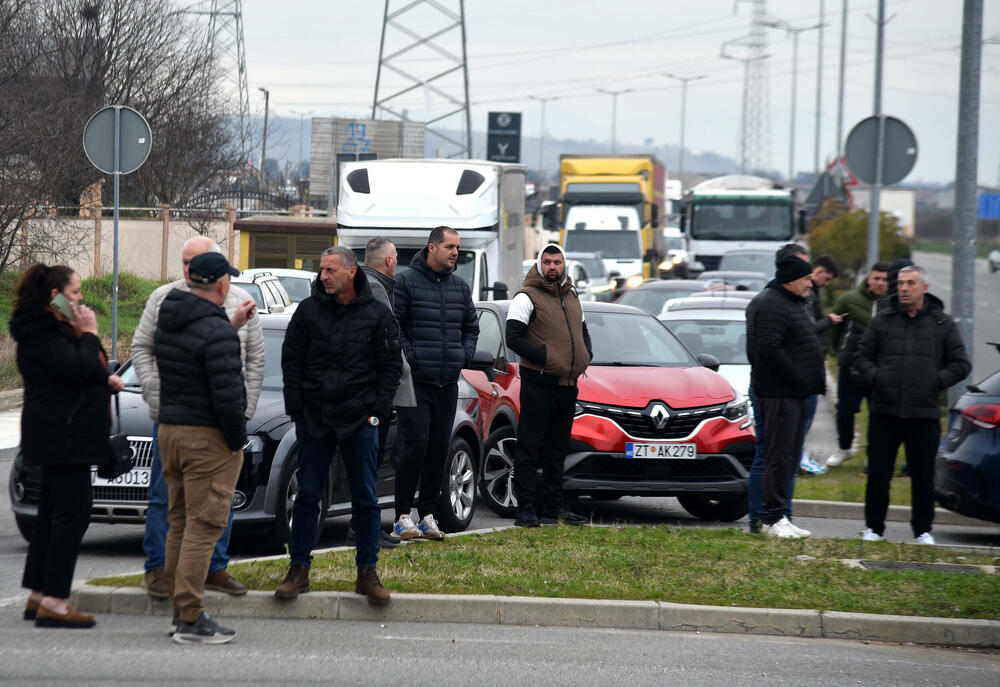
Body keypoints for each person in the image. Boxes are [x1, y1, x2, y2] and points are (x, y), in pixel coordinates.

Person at [131, 236, 263, 599]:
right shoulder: (165, 299)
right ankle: (168, 580)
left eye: (197, 261)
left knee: (214, 504)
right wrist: (156, 396)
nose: (189, 269)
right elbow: (145, 348)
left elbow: (251, 360)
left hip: (209, 420)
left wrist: (245, 410)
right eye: (185, 261)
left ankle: (212, 569)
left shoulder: (235, 303)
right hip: (187, 421)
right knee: (176, 505)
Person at [276, 247, 402, 604]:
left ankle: (367, 572)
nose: (323, 276)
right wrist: (297, 410)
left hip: (360, 419)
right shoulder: (308, 311)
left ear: (351, 272)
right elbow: (291, 361)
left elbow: (391, 366)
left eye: (330, 270)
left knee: (366, 498)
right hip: (314, 419)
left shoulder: (377, 314)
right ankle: (298, 569)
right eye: (322, 269)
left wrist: (377, 411)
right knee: (308, 495)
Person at [12, 264, 124, 629]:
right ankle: (56, 602)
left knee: (51, 513)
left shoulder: (57, 328)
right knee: (73, 514)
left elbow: (83, 369)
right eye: (75, 292)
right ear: (55, 296)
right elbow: (75, 368)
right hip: (63, 437)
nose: (80, 299)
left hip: (63, 434)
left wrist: (105, 378)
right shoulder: (43, 332)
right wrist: (89, 333)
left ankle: (39, 594)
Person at [155, 252, 247, 644]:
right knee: (204, 526)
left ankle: (181, 611)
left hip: (171, 431)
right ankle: (191, 617)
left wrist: (229, 326)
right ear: (221, 285)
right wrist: (237, 441)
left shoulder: (171, 318)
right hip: (206, 438)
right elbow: (227, 396)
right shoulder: (216, 331)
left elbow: (196, 353)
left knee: (179, 523)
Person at [852, 266, 970, 545]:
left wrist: (935, 381)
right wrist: (877, 378)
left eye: (911, 283)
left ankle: (922, 530)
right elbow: (862, 357)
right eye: (901, 283)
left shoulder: (941, 323)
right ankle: (874, 528)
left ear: (924, 288)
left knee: (923, 475)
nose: (904, 288)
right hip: (885, 411)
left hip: (923, 413)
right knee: (879, 473)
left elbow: (961, 364)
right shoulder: (883, 320)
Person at [392, 226, 479, 541]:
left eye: (457, 247)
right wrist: (412, 356)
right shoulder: (406, 282)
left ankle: (427, 515)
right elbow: (395, 326)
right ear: (432, 248)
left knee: (439, 449)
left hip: (447, 383)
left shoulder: (460, 287)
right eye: (450, 246)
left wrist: (462, 355)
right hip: (416, 384)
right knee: (414, 447)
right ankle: (402, 516)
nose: (456, 252)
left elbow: (471, 327)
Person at [505, 244, 592, 527]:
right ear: (540, 265)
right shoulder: (526, 296)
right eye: (547, 262)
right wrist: (544, 357)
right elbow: (513, 338)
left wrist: (586, 356)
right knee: (529, 448)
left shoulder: (572, 296)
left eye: (557, 262)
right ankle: (526, 510)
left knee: (558, 449)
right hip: (538, 383)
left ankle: (553, 509)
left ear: (564, 264)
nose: (552, 266)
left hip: (567, 385)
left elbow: (583, 333)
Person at [745, 256, 826, 538]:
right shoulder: (770, 304)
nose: (810, 284)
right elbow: (769, 348)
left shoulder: (793, 302)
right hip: (779, 393)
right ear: (791, 279)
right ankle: (771, 519)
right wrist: (797, 377)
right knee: (777, 456)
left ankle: (781, 516)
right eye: (806, 279)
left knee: (790, 456)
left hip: (796, 393)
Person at [343, 236, 415, 549]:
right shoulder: (374, 288)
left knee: (369, 462)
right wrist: (397, 381)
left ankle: (363, 526)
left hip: (368, 392)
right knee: (369, 462)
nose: (396, 262)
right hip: (374, 395)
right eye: (395, 257)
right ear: (388, 261)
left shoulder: (368, 285)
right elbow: (388, 341)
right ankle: (363, 529)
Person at [825, 262, 890, 467]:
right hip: (850, 365)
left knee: (879, 414)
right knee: (845, 409)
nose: (880, 283)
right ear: (869, 279)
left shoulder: (894, 304)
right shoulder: (849, 300)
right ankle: (844, 448)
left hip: (880, 369)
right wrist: (841, 352)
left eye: (884, 279)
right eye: (876, 278)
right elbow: (834, 330)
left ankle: (874, 454)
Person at [798, 255, 843, 475]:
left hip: (814, 360)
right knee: (805, 415)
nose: (826, 283)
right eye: (827, 278)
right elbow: (808, 327)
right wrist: (829, 321)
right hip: (808, 364)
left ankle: (800, 457)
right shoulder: (808, 295)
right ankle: (800, 459)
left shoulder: (812, 293)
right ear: (819, 271)